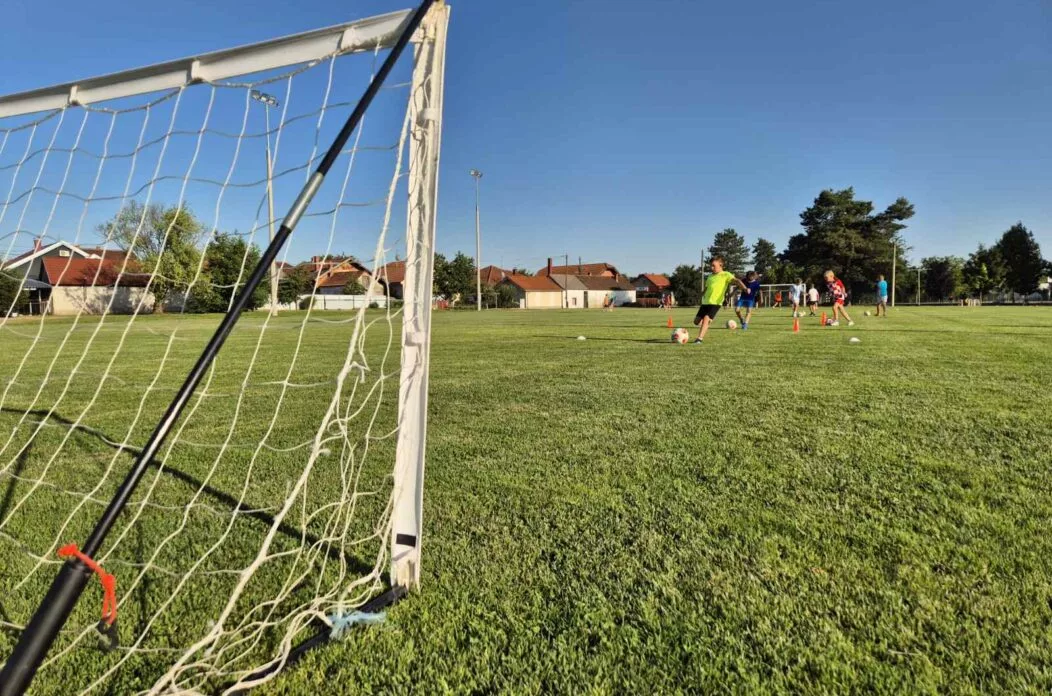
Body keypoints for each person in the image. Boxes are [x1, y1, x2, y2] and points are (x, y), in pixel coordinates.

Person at [693, 256, 747, 343]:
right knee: (696, 321)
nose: (711, 268)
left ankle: (699, 338)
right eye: (711, 266)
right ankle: (706, 323)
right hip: (705, 302)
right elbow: (706, 289)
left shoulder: (726, 274)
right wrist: (701, 295)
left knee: (706, 318)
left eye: (713, 266)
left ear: (721, 265)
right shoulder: (710, 276)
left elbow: (737, 281)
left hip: (716, 303)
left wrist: (744, 288)